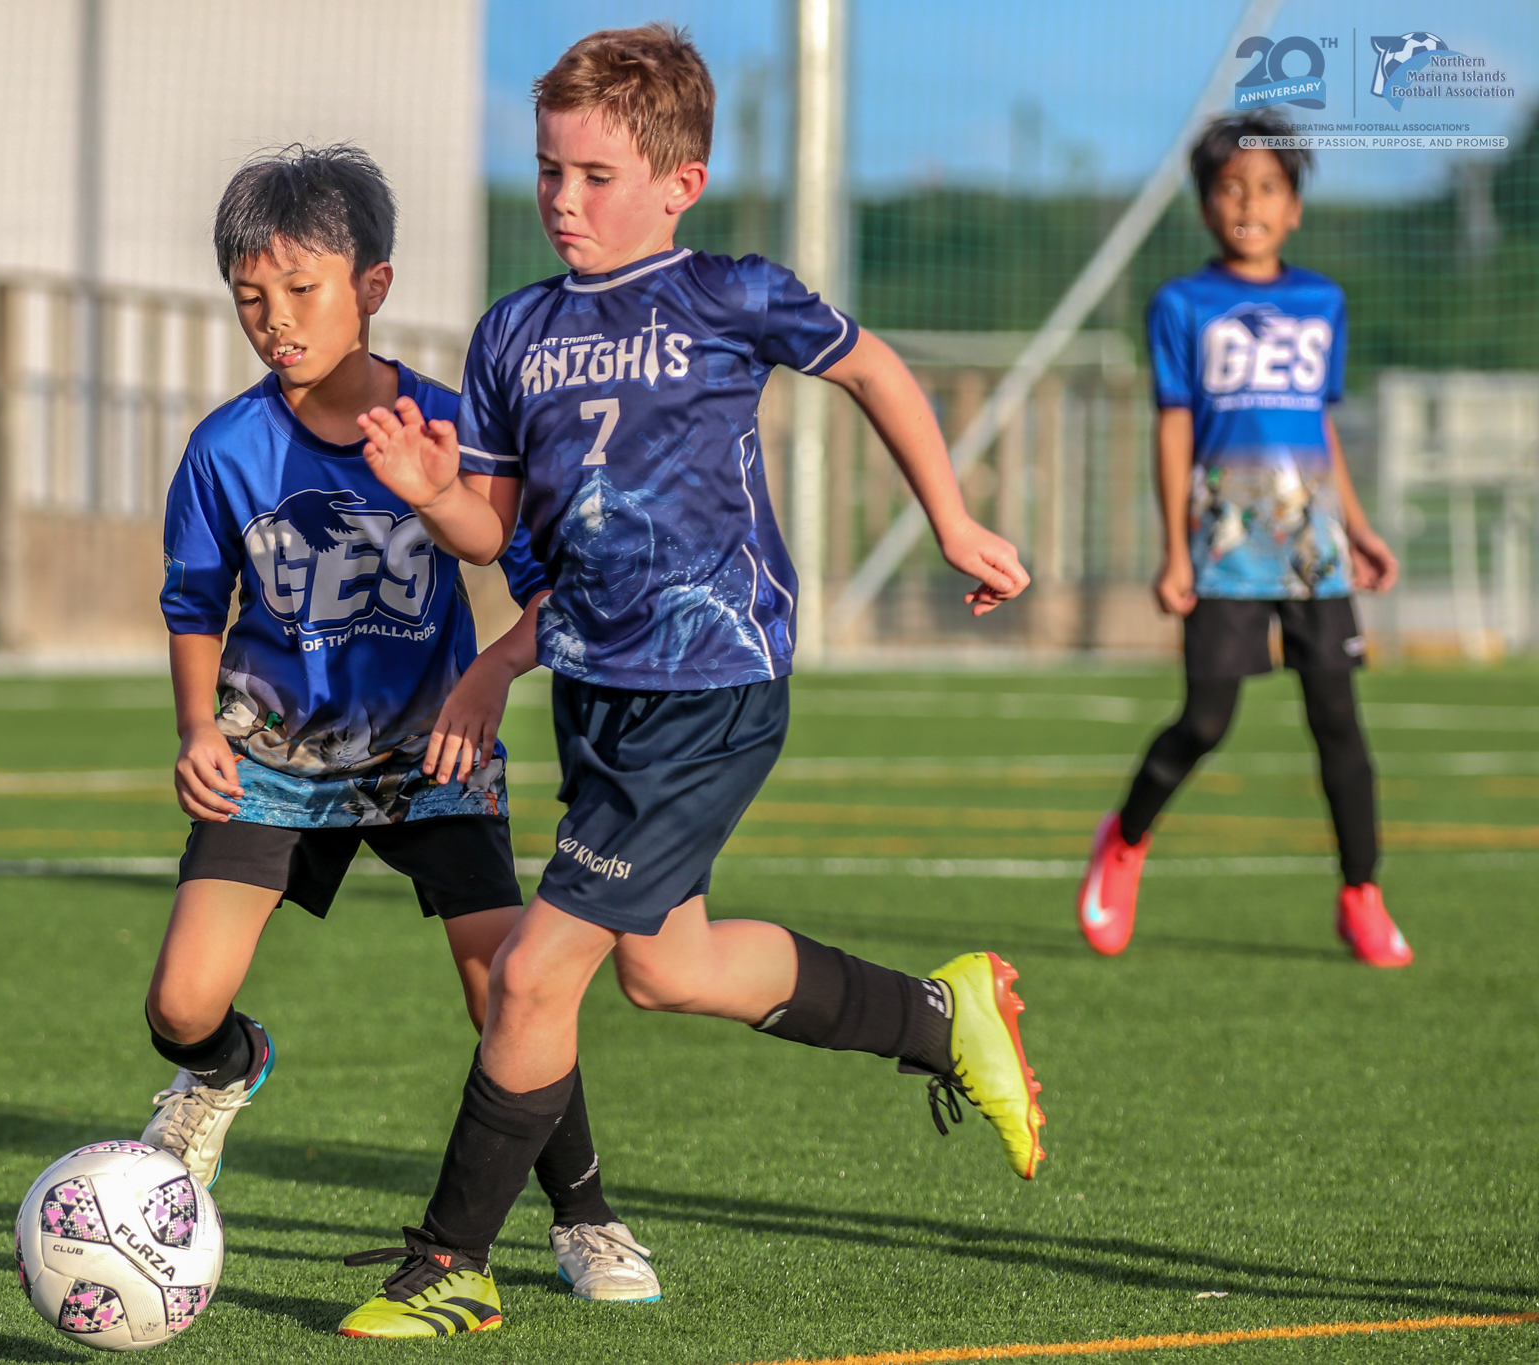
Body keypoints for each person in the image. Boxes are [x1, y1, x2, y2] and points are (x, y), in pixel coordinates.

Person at [336, 26, 1044, 1337]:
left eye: (594, 176)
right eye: (548, 170)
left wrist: (949, 519)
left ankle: (450, 1268)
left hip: (711, 688)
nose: (562, 199)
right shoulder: (513, 331)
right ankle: (941, 1017)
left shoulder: (730, 295)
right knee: (669, 967)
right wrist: (433, 492)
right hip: (596, 694)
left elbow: (873, 367)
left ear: (680, 184)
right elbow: (494, 533)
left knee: (534, 973)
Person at [144, 144, 662, 1310]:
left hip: (430, 758)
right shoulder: (225, 449)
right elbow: (193, 605)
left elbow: (547, 585)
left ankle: (585, 1217)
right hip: (272, 765)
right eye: (249, 298)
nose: (275, 321)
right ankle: (225, 1073)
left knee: (508, 991)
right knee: (180, 1006)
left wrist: (489, 677)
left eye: (302, 290)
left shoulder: (451, 428)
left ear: (372, 285)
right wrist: (196, 730)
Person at [1075, 112, 1408, 968]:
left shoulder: (1322, 302)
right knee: (1206, 719)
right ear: (1204, 205)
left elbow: (1318, 429)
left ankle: (1362, 894)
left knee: (1338, 719)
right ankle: (1125, 839)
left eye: (1267, 188)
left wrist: (1358, 528)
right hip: (1225, 544)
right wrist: (1174, 549)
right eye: (1230, 189)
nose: (1248, 204)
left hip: (1312, 546)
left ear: (1295, 206)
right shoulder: (1181, 304)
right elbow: (1173, 428)